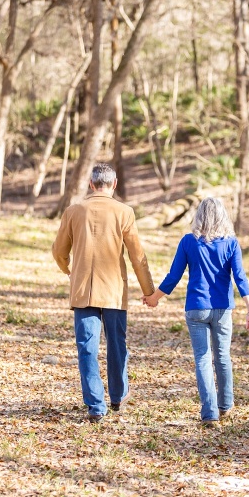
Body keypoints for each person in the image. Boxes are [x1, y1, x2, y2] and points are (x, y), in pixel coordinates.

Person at [52, 163, 155, 423]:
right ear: (114, 184)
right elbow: (137, 256)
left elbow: (58, 250)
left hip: (83, 289)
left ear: (91, 184)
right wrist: (149, 290)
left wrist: (68, 269)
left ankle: (96, 406)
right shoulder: (125, 212)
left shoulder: (74, 211)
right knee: (116, 345)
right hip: (114, 290)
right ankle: (118, 395)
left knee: (86, 348)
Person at [143, 197, 249, 426]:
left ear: (199, 216)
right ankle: (225, 405)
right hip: (223, 308)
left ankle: (210, 414)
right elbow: (240, 277)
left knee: (203, 360)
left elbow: (173, 276)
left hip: (196, 308)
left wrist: (154, 298)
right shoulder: (231, 243)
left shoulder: (188, 242)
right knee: (223, 357)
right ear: (223, 216)